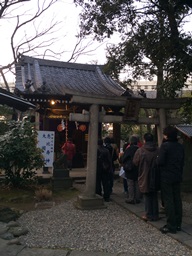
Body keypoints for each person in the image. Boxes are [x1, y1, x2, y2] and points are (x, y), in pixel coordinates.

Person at [157, 126, 184, 234]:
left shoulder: (165, 146)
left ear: (166, 135)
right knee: (177, 199)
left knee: (169, 200)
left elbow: (160, 161)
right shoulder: (180, 146)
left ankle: (171, 225)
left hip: (167, 176)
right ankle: (178, 224)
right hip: (177, 175)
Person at [133, 133, 159, 221]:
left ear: (144, 140)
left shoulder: (140, 151)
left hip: (144, 174)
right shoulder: (158, 150)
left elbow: (135, 162)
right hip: (156, 175)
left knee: (147, 195)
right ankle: (155, 214)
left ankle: (148, 214)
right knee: (154, 195)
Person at [122, 136, 140, 204]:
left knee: (130, 184)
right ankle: (137, 197)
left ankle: (131, 198)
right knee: (137, 183)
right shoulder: (139, 149)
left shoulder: (128, 149)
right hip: (138, 168)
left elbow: (124, 158)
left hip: (130, 168)